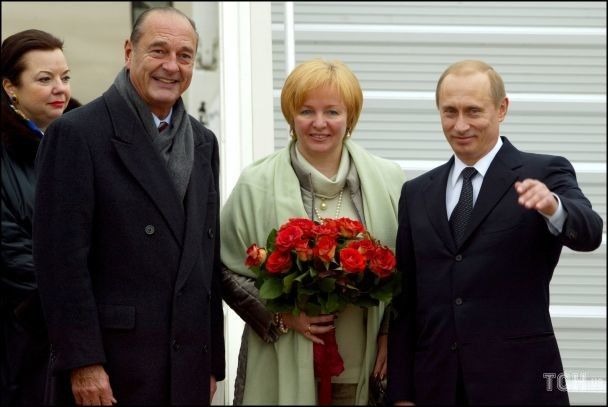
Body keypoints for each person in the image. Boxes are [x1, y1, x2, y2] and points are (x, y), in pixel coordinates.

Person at [33, 7, 225, 405]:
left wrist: (211, 362)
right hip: (113, 370)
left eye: (185, 56)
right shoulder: (77, 134)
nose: (171, 66)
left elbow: (205, 259)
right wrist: (83, 362)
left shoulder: (203, 142)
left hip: (187, 366)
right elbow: (60, 263)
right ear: (128, 52)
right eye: (158, 51)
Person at [387, 59, 603, 405]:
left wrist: (553, 206)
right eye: (450, 112)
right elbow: (406, 301)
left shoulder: (544, 172)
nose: (460, 125)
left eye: (473, 111)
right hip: (436, 386)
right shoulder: (417, 192)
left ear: (502, 109)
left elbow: (590, 232)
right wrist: (401, 394)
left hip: (520, 383)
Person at [220, 58, 406, 405]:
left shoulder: (390, 180)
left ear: (350, 117)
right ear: (291, 115)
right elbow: (222, 268)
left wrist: (390, 332)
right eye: (306, 111)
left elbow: (410, 271)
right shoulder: (254, 184)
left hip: (363, 373)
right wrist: (280, 315)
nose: (319, 123)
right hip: (279, 368)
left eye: (332, 112)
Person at [0, 28, 73, 406]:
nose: (60, 88)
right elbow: (11, 252)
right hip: (22, 338)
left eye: (65, 77)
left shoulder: (76, 144)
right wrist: (75, 302)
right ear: (10, 87)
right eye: (45, 79)